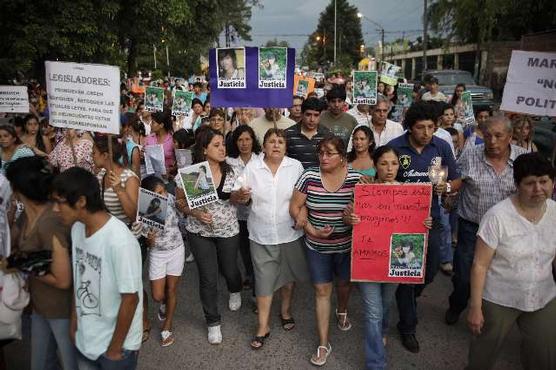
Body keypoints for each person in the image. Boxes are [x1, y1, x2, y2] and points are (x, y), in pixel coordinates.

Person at [343, 146, 433, 370]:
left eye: (393, 163)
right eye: (383, 163)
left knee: (385, 302)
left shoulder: (410, 193)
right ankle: (376, 362)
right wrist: (349, 218)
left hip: (396, 260)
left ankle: (383, 331)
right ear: (375, 166)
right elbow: (348, 215)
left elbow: (416, 228)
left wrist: (425, 223)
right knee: (373, 312)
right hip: (368, 260)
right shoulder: (364, 190)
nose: (389, 168)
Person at [466, 152, 556, 370]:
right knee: (483, 354)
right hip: (499, 298)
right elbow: (480, 265)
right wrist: (475, 307)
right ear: (517, 184)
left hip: (543, 296)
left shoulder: (554, 212)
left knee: (544, 353)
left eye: (544, 181)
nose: (538, 189)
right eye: (530, 183)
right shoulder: (497, 216)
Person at [387, 101, 461, 353]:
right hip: (402, 223)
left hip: (433, 220)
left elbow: (456, 178)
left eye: (431, 127)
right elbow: (382, 178)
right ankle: (408, 326)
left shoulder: (441, 146)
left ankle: (407, 296)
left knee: (429, 271)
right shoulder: (395, 147)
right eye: (421, 127)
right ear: (410, 127)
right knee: (408, 274)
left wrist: (447, 188)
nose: (426, 132)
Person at [51, 167, 143, 370]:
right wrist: (75, 323)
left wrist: (115, 349)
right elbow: (79, 278)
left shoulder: (120, 241)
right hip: (85, 340)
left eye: (60, 203)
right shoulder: (76, 229)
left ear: (81, 201)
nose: (55, 210)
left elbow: (130, 298)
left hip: (116, 349)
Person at [445, 115, 527, 325]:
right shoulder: (470, 155)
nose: (492, 141)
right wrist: (447, 195)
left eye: (498, 136)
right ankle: (457, 305)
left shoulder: (523, 160)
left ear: (509, 137)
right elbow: (455, 183)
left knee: (498, 278)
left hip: (508, 232)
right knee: (463, 278)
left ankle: (488, 316)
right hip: (472, 228)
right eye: (488, 135)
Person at [289, 136, 361, 366]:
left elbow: (367, 215)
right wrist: (311, 229)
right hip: (317, 246)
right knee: (321, 291)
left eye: (329, 153)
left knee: (344, 284)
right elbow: (295, 207)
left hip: (347, 247)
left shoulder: (358, 180)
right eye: (320, 153)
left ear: (342, 157)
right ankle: (323, 343)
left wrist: (353, 218)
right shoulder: (309, 176)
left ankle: (342, 310)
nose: (323, 157)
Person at [240, 129, 309, 349]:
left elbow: (304, 196)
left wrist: (303, 213)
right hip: (261, 233)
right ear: (264, 146)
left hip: (289, 231)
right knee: (264, 280)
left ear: (286, 146)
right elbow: (240, 194)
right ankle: (263, 326)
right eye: (271, 141)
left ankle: (285, 311)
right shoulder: (252, 167)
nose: (276, 145)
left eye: (280, 141)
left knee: (288, 278)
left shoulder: (295, 167)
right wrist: (241, 196)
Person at [6, 157, 77, 370]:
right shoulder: (26, 218)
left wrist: (24, 265)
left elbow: (63, 279)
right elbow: (14, 248)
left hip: (61, 310)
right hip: (39, 307)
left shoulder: (51, 222)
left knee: (69, 364)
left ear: (18, 189)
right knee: (41, 363)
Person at [176, 128, 244, 345]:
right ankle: (213, 322)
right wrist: (195, 212)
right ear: (204, 149)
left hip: (227, 230)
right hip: (199, 232)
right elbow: (180, 203)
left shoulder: (233, 170)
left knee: (230, 269)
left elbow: (238, 199)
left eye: (223, 143)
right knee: (208, 277)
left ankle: (235, 289)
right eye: (216, 145)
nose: (222, 148)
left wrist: (240, 196)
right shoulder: (193, 173)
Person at [141, 175, 185, 347]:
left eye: (164, 191)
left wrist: (182, 205)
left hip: (176, 249)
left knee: (172, 289)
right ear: (148, 195)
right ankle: (164, 303)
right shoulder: (146, 208)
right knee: (158, 295)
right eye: (158, 193)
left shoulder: (172, 199)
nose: (164, 196)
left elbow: (183, 214)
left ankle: (167, 327)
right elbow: (148, 242)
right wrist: (150, 238)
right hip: (158, 253)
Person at [226, 125, 261, 290]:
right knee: (245, 250)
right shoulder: (229, 162)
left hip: (258, 214)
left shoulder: (261, 159)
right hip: (238, 215)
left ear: (253, 141)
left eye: (247, 139)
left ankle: (257, 284)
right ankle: (250, 274)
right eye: (240, 140)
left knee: (257, 251)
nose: (244, 143)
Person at [284, 97, 331, 169]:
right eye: (308, 115)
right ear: (302, 114)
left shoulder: (328, 135)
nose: (312, 119)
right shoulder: (288, 134)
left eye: (316, 115)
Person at [145, 110, 175, 176]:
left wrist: (170, 170)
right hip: (152, 176)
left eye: (153, 122)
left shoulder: (172, 140)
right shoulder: (149, 138)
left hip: (168, 177)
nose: (150, 124)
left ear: (161, 125)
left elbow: (178, 162)